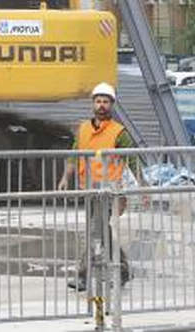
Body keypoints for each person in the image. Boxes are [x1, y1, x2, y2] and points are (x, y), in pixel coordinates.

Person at [57, 81, 134, 292]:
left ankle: (83, 275)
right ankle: (124, 271)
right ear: (93, 104)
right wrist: (65, 178)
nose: (101, 105)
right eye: (98, 101)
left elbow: (133, 161)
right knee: (101, 231)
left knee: (95, 231)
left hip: (109, 190)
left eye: (105, 102)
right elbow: (74, 156)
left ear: (112, 105)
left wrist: (141, 186)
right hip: (89, 188)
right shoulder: (83, 129)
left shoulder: (120, 132)